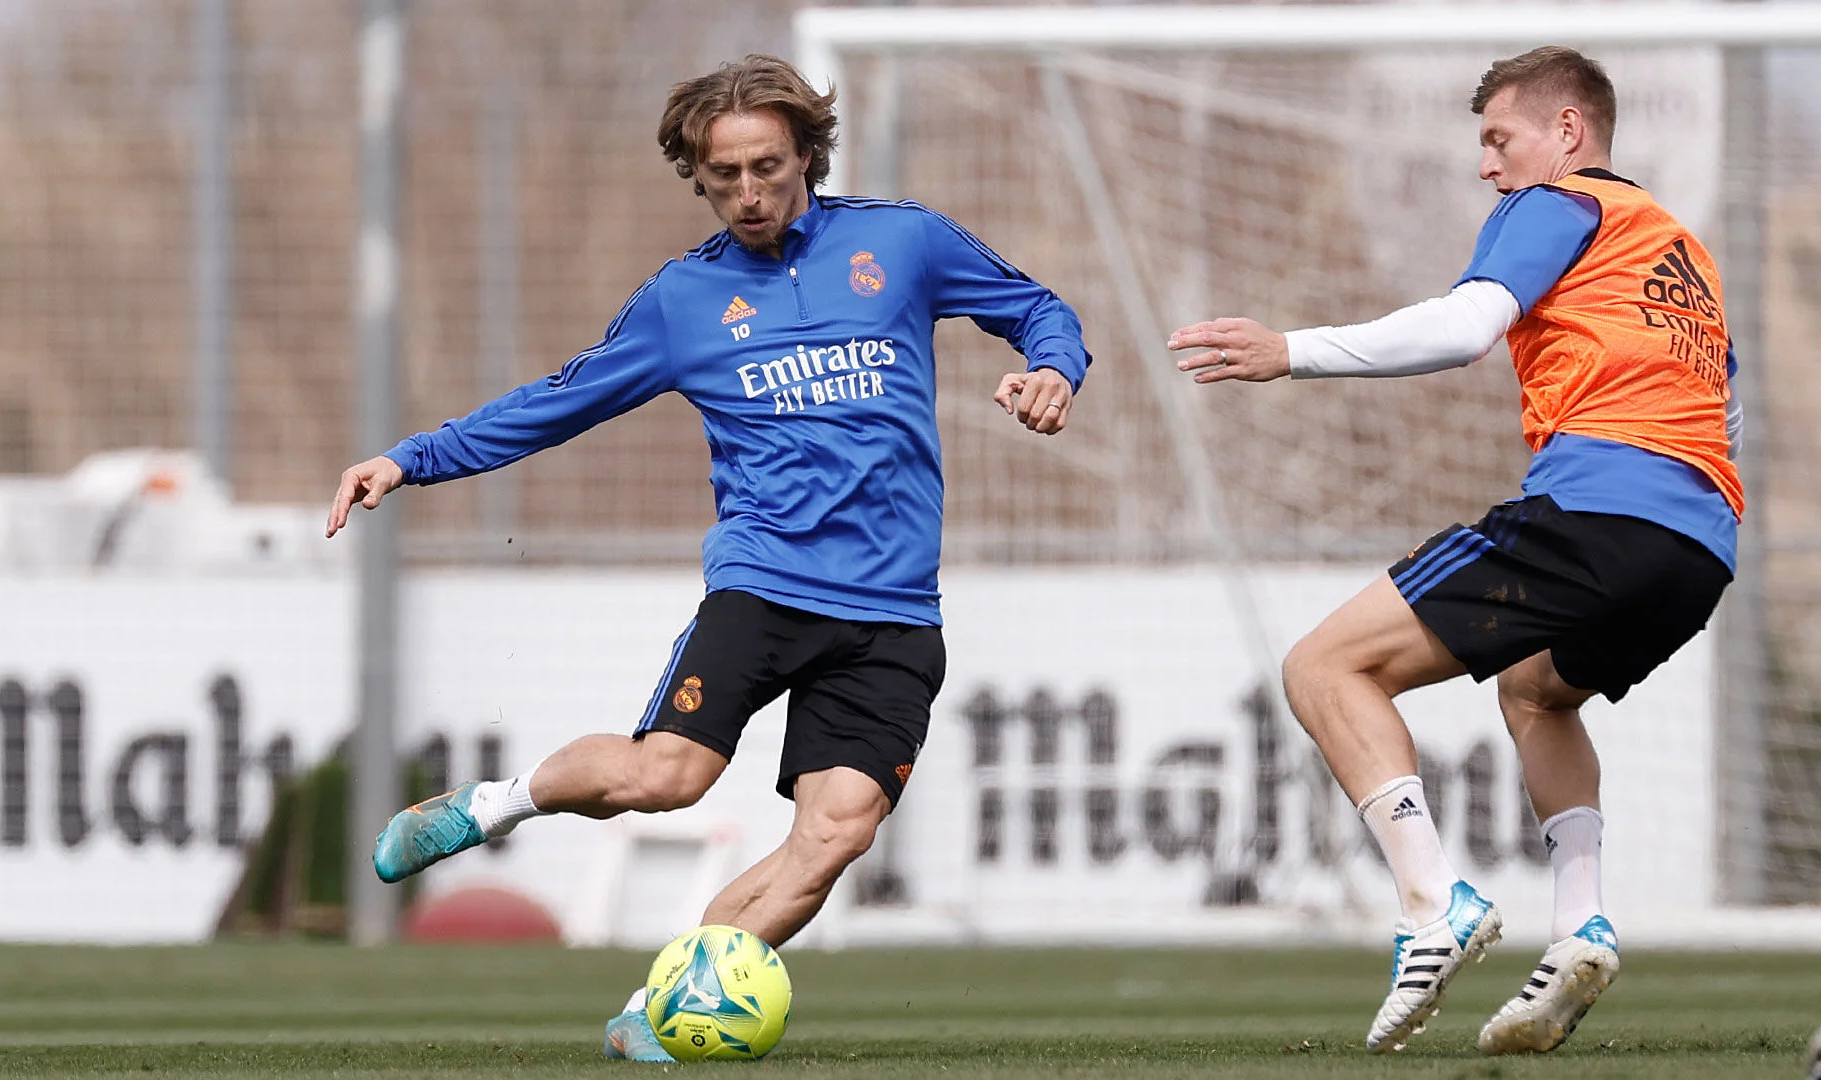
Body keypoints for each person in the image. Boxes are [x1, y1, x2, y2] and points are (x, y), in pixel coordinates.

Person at [326, 54, 1090, 1061]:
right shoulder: (684, 302)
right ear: (698, 174)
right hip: (765, 586)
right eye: (722, 174)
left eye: (765, 167)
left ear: (805, 155)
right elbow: (555, 404)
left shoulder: (901, 243)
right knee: (665, 779)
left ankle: (658, 1010)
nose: (747, 192)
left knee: (836, 837)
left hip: (897, 609)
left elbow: (1041, 309)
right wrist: (409, 460)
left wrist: (1049, 370)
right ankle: (495, 807)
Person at [1168, 47, 1740, 1056]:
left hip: (1596, 511)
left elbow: (1465, 326)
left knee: (1322, 668)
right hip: (1701, 545)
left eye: (1498, 138)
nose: (1488, 166)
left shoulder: (1559, 203)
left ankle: (1433, 903)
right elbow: (1720, 401)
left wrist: (1289, 352)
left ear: (1567, 133)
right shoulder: (1679, 248)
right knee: (1534, 691)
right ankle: (1581, 928)